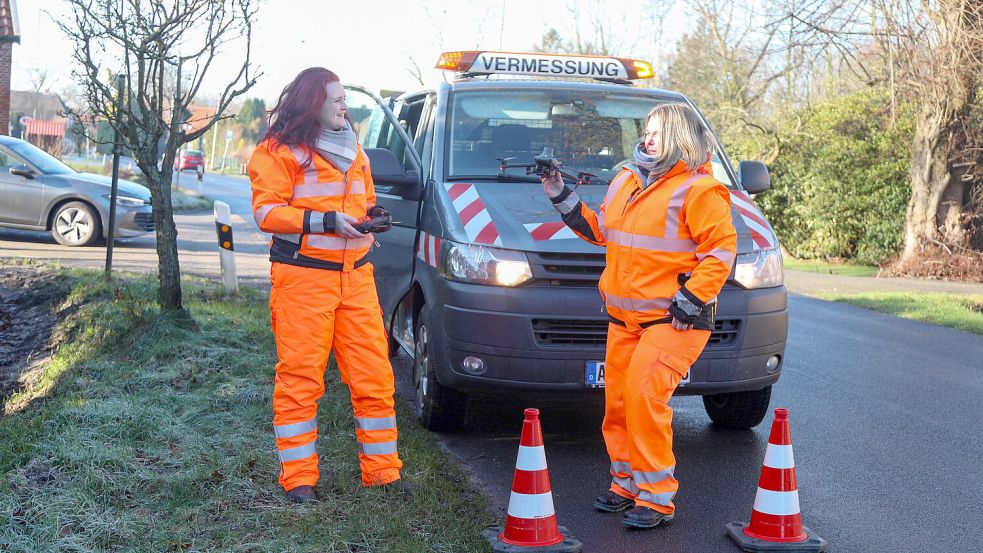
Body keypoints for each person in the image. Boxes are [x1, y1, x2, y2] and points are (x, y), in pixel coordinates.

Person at [540, 103, 737, 528]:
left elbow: (720, 253)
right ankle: (625, 485)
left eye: (658, 132)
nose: (647, 138)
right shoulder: (626, 179)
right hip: (624, 320)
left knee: (646, 399)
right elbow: (603, 232)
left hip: (676, 319)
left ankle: (656, 498)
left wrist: (691, 298)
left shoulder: (699, 189)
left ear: (681, 137)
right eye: (647, 131)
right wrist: (560, 194)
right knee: (619, 404)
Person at [248, 67, 402, 503]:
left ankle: (383, 474)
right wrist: (327, 221)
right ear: (312, 103)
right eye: (335, 100)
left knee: (375, 377)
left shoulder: (356, 151)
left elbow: (366, 201)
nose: (344, 107)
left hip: (356, 279)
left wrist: (376, 216)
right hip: (303, 280)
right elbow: (267, 214)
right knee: (300, 381)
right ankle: (299, 481)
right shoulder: (277, 151)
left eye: (343, 100)